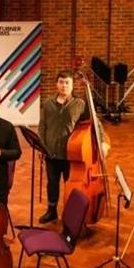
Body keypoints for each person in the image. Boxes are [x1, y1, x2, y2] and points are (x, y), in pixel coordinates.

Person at [38, 70, 86, 224]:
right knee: (52, 183)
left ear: (72, 85)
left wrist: (103, 141)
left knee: (70, 184)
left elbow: (94, 124)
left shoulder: (80, 104)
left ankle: (70, 213)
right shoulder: (47, 104)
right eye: (61, 82)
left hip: (70, 154)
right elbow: (42, 126)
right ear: (56, 84)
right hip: (51, 152)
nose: (64, 85)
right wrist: (41, 147)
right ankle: (51, 211)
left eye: (67, 83)